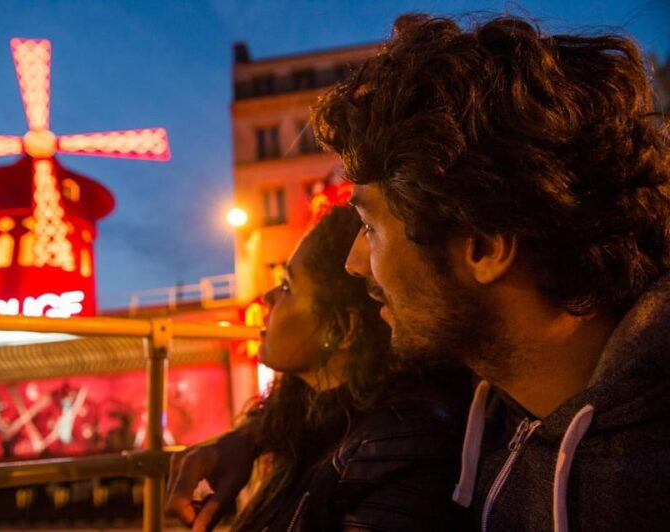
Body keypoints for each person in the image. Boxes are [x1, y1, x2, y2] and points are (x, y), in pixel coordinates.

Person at [313, 13, 670, 532]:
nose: (352, 262)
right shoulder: (495, 392)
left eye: (369, 227)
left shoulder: (646, 479)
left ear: (484, 248)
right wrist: (254, 437)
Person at [166, 206, 471, 531]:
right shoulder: (309, 424)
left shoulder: (395, 451)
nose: (268, 297)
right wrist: (248, 437)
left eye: (287, 286)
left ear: (340, 331)